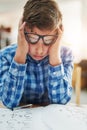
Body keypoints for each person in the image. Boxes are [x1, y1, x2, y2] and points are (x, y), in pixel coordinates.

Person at [0, 0, 73, 109]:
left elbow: (61, 102)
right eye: (33, 38)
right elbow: (9, 102)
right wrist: (20, 54)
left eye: (48, 40)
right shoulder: (5, 55)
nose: (39, 50)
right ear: (22, 31)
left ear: (58, 35)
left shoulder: (65, 54)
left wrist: (54, 57)